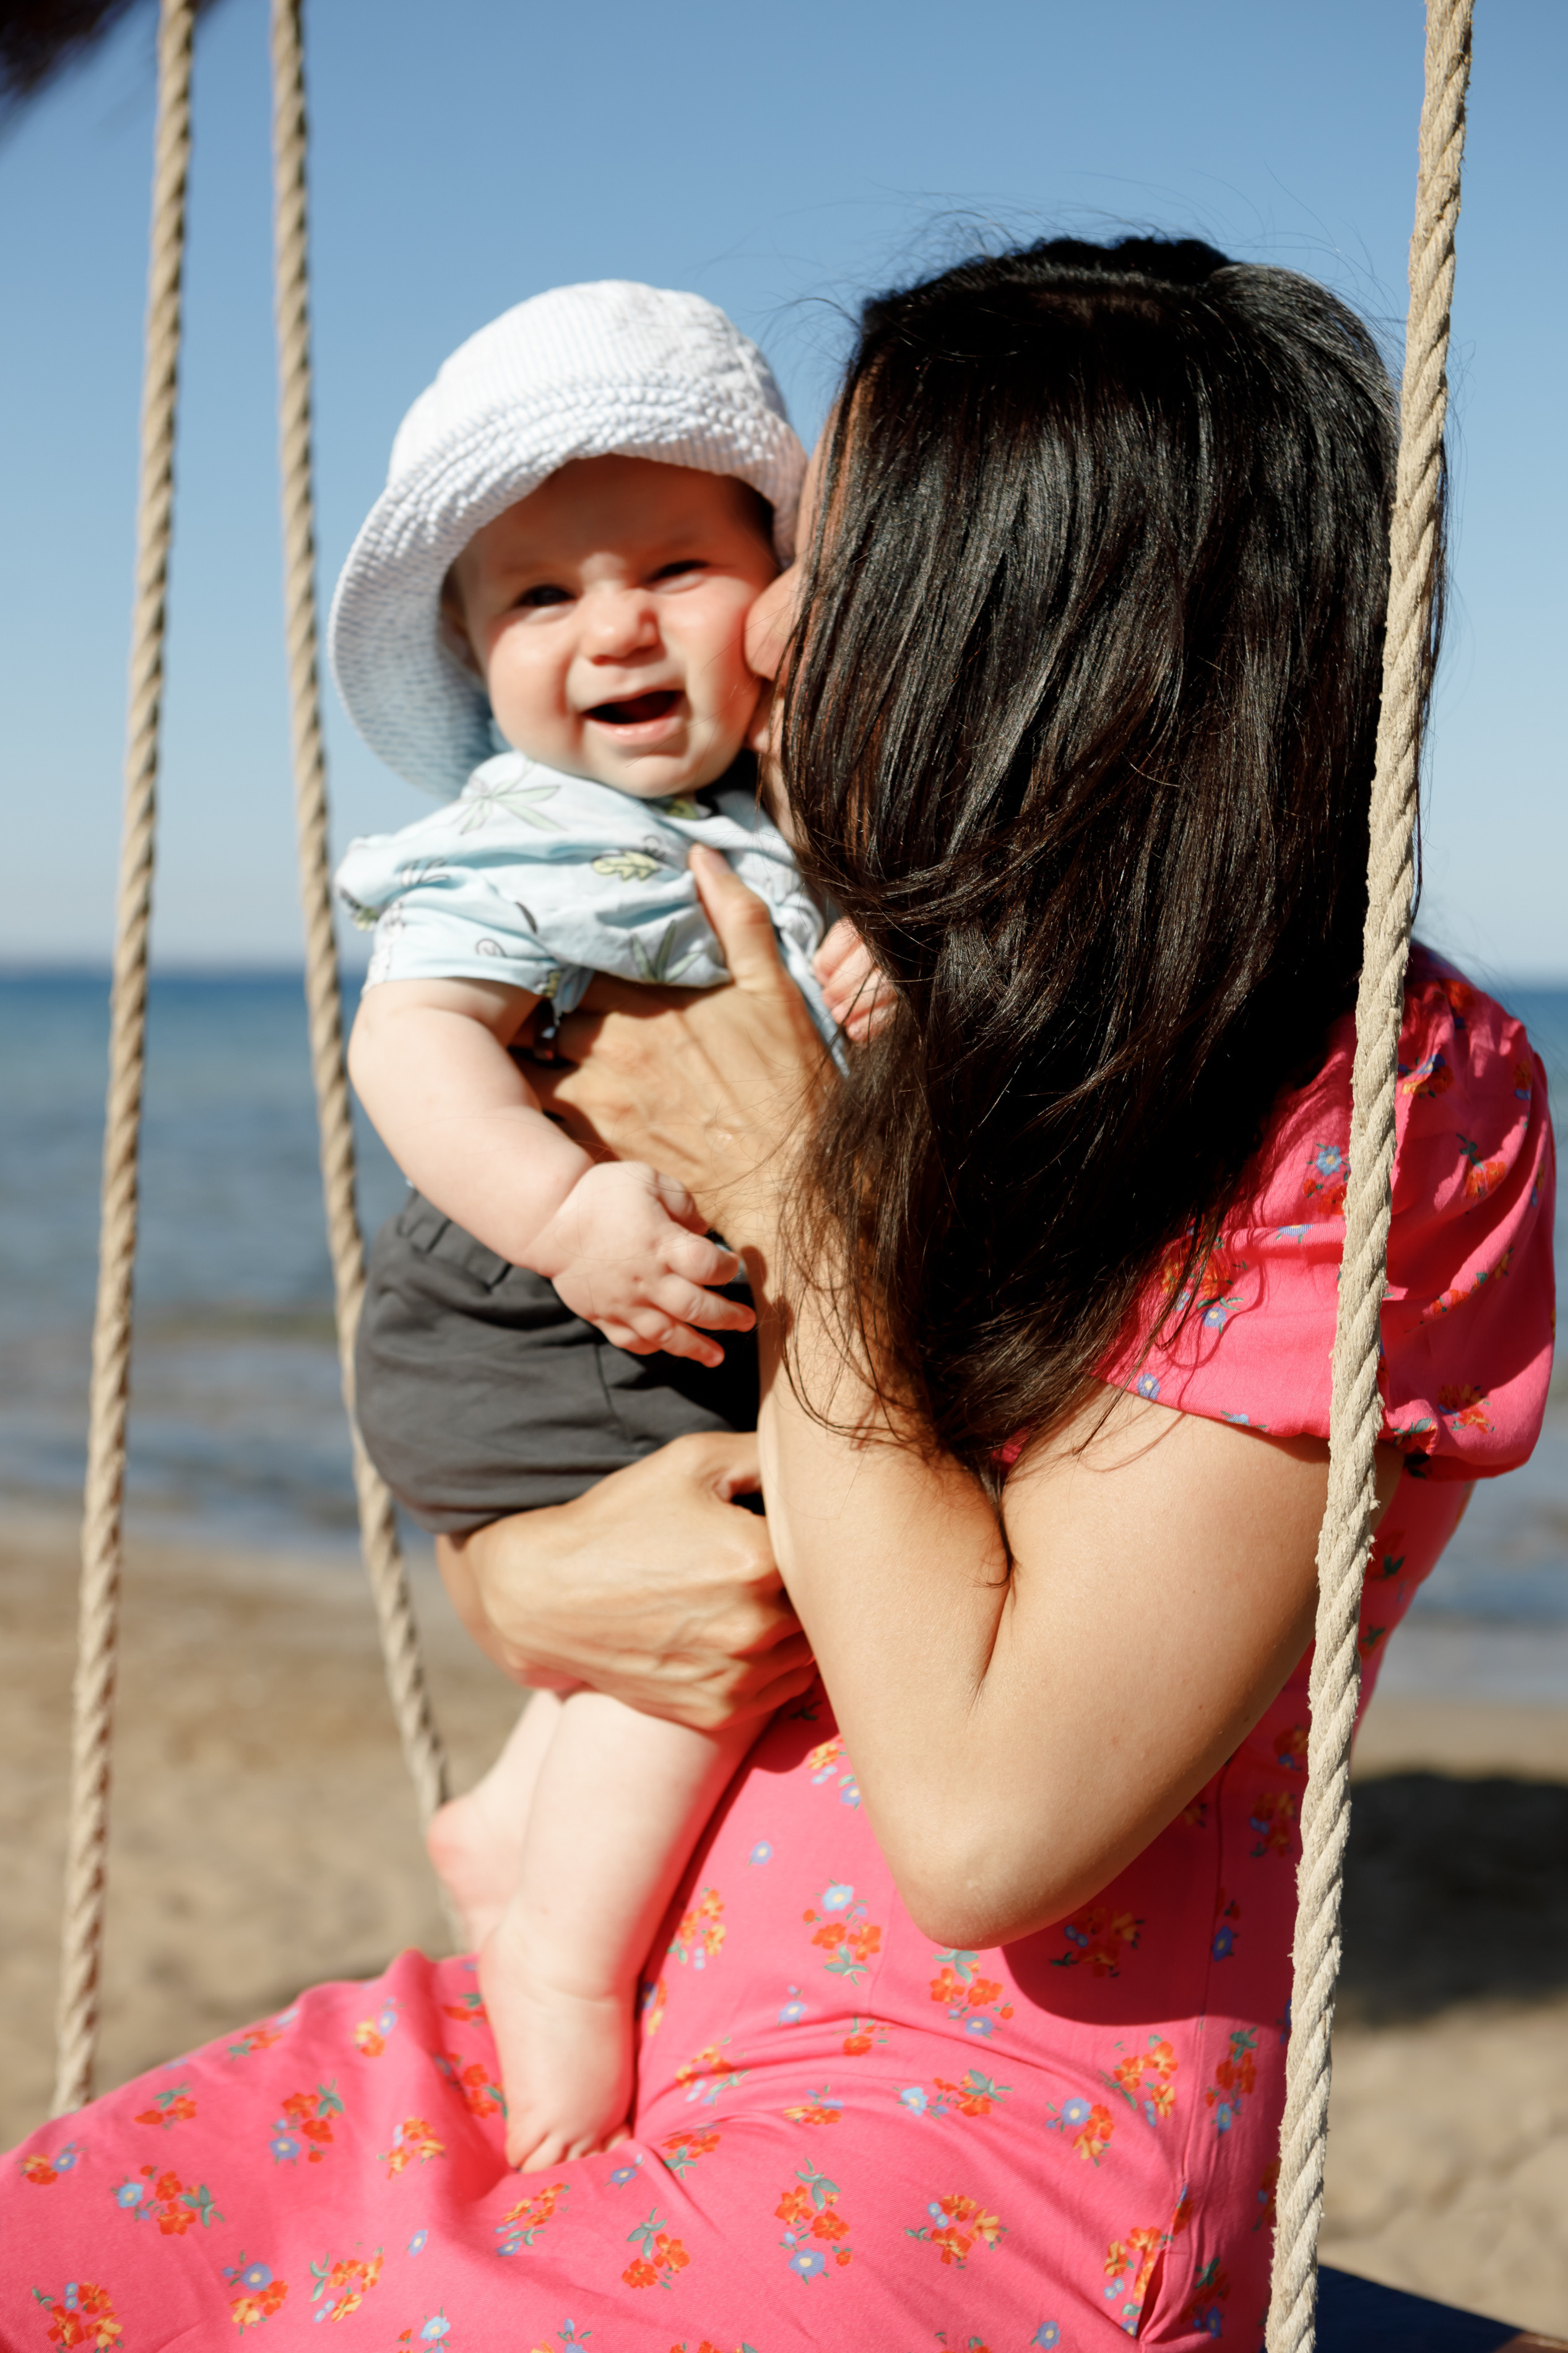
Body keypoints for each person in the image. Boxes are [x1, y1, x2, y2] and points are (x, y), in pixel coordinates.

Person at [6, 237, 1553, 2351]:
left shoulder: (1364, 1083)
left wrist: (790, 1188)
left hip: (970, 2130)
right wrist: (525, 1573)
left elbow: (997, 1816)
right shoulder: (841, 969)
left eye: (839, 542)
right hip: (636, 1996)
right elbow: (639, 1487)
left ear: (1034, 611)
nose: (784, 616)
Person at [329, 278, 877, 2170]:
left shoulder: (796, 822)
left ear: (782, 595)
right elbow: (410, 1047)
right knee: (731, 1597)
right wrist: (564, 1211)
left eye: (675, 568)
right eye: (543, 597)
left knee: (741, 1548)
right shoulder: (523, 838)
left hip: (683, 1296)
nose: (618, 625)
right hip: (544, 1310)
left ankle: (517, 1808)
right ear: (477, 655)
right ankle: (563, 1959)